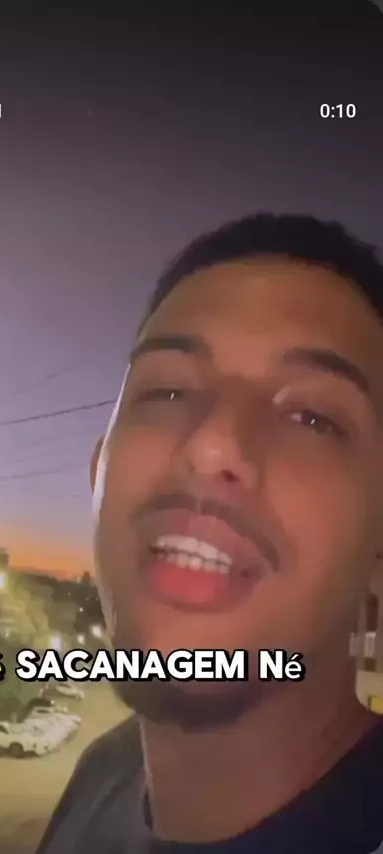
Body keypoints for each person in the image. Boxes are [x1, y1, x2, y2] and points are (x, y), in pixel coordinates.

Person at [38, 213, 383, 854]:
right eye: (169, 392)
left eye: (312, 417)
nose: (212, 444)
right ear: (98, 472)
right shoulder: (102, 774)